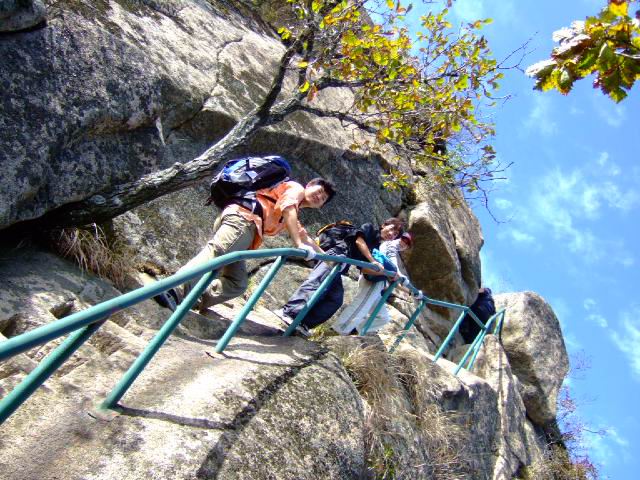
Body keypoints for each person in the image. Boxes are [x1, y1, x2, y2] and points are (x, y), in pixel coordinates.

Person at [171, 176, 336, 314]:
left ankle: (194, 298)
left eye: (323, 198)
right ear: (309, 185)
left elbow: (303, 235)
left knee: (237, 283)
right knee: (216, 253)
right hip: (243, 221)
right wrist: (298, 244)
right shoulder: (296, 189)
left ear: (321, 206)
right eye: (319, 191)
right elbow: (288, 210)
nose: (319, 197)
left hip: (244, 231)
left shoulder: (293, 210)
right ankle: (173, 290)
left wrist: (326, 257)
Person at [275, 218, 405, 336]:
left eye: (395, 235)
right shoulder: (369, 228)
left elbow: (364, 269)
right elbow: (359, 241)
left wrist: (386, 274)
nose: (391, 234)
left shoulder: (375, 247)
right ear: (384, 225)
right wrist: (373, 261)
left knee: (335, 298)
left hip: (343, 265)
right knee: (317, 283)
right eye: (392, 229)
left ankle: (304, 323)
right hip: (337, 255)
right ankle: (288, 312)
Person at [333, 232, 413, 335]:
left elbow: (394, 279)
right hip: (375, 280)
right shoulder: (390, 246)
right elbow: (392, 268)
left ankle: (355, 329)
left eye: (406, 244)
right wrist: (400, 276)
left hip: (379, 282)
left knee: (383, 317)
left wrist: (409, 291)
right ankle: (339, 330)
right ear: (398, 238)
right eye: (403, 239)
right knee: (361, 306)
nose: (403, 243)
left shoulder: (392, 250)